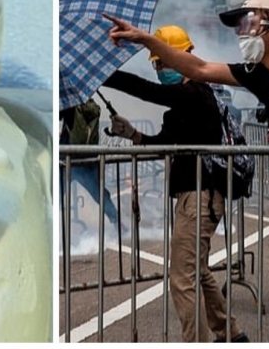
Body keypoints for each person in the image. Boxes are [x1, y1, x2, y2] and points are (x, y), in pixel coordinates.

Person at [105, 0, 269, 342]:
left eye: (249, 23)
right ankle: (230, 332)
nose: (242, 33)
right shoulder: (266, 77)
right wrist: (146, 40)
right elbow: (200, 67)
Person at [103, 25, 249, 343]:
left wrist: (106, 74)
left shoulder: (195, 93)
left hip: (201, 197)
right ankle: (231, 333)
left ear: (181, 56)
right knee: (198, 270)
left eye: (162, 61)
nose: (159, 69)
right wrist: (131, 133)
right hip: (194, 196)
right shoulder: (184, 105)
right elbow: (164, 143)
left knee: (182, 278)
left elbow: (148, 92)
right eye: (156, 64)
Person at [59, 100, 123, 236]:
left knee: (57, 194)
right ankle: (117, 222)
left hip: (68, 158)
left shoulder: (67, 105)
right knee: (100, 193)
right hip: (89, 157)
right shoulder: (91, 106)